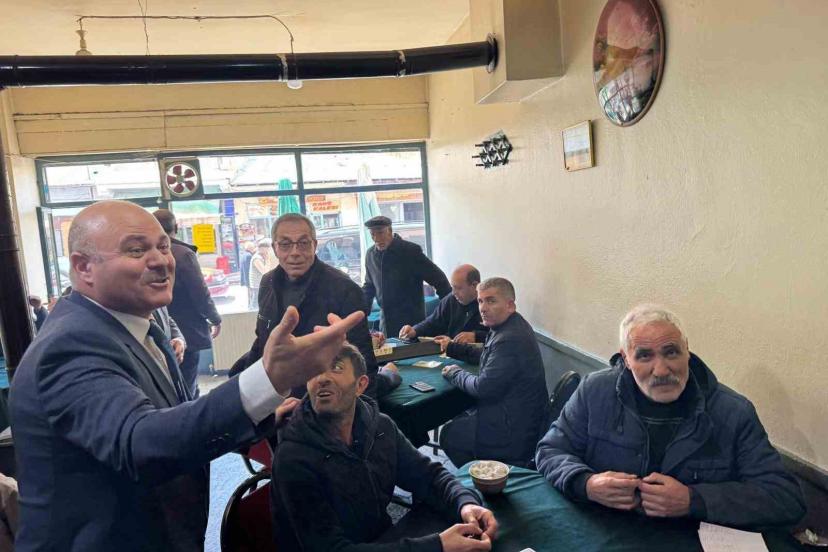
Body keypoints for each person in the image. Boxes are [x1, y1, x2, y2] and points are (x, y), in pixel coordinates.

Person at [9, 200, 365, 552]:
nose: (161, 261)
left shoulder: (147, 324)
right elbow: (141, 442)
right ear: (83, 267)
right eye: (136, 250)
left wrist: (263, 412)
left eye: (164, 247)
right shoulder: (71, 344)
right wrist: (267, 379)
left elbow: (176, 422)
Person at [535, 304, 806, 529]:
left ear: (687, 350)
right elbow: (550, 450)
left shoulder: (733, 412)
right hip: (604, 531)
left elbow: (785, 497)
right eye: (644, 356)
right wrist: (586, 483)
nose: (662, 370)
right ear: (626, 359)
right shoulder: (594, 391)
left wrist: (694, 500)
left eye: (671, 352)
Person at [271, 343, 498, 552]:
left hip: (382, 540)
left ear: (361, 385)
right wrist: (437, 546)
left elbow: (429, 476)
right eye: (315, 370)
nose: (322, 378)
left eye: (337, 368)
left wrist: (465, 504)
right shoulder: (293, 458)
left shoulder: (381, 426)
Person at [230, 213, 400, 398]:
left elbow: (362, 360)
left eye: (303, 243)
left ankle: (390, 374)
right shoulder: (267, 282)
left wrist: (367, 411)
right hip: (277, 394)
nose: (295, 252)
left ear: (315, 245)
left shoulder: (344, 289)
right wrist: (244, 396)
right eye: (285, 244)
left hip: (323, 395)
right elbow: (261, 341)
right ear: (274, 248)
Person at [439, 277, 550, 468]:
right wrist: (453, 348)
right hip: (519, 415)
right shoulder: (509, 324)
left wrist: (454, 373)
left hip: (514, 428)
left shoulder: (509, 338)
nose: (483, 308)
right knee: (460, 419)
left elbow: (482, 388)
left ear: (510, 305)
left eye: (491, 301)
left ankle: (489, 478)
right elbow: (488, 354)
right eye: (480, 301)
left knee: (451, 434)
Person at [153, 209, 222, 399]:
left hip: (160, 331)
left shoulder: (148, 255)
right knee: (188, 385)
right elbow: (200, 292)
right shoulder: (183, 254)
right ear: (176, 227)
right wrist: (214, 318)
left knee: (173, 385)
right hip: (187, 330)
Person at [362, 216, 451, 339]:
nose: (377, 238)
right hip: (386, 324)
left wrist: (449, 309)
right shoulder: (370, 255)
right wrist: (362, 312)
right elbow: (369, 286)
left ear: (390, 231)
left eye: (380, 233)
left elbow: (439, 279)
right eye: (373, 234)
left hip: (412, 321)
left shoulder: (410, 251)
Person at [399, 264, 487, 348]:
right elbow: (432, 323)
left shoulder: (488, 305)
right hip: (450, 351)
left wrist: (477, 336)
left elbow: (495, 335)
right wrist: (414, 330)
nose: (454, 293)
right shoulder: (450, 300)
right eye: (453, 288)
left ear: (475, 285)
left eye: (458, 288)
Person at [248, 238, 271, 310]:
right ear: (263, 248)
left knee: (258, 303)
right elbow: (265, 272)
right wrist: (267, 259)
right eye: (268, 249)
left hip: (259, 284)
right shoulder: (257, 258)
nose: (268, 251)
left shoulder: (260, 257)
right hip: (257, 285)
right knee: (255, 305)